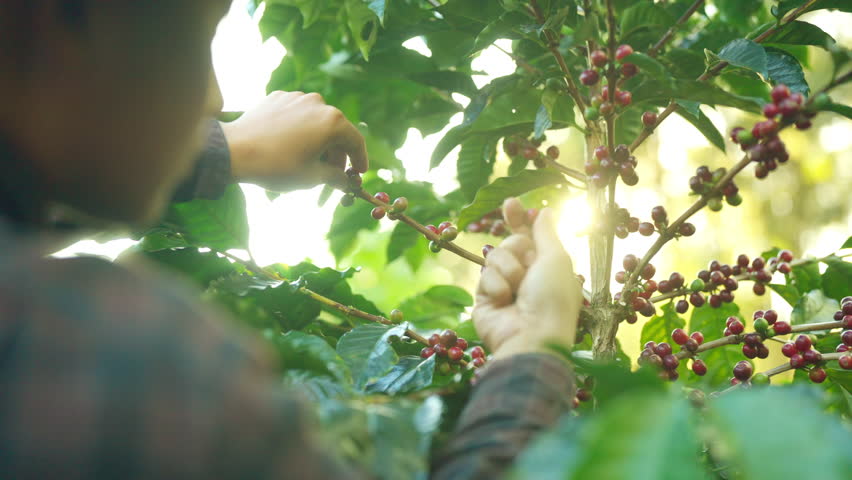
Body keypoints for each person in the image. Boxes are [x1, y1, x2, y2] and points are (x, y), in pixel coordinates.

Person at [0, 1, 582, 478]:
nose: (214, 99)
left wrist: (227, 150)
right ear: (58, 21)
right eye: (203, 36)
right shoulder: (132, 361)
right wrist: (534, 350)